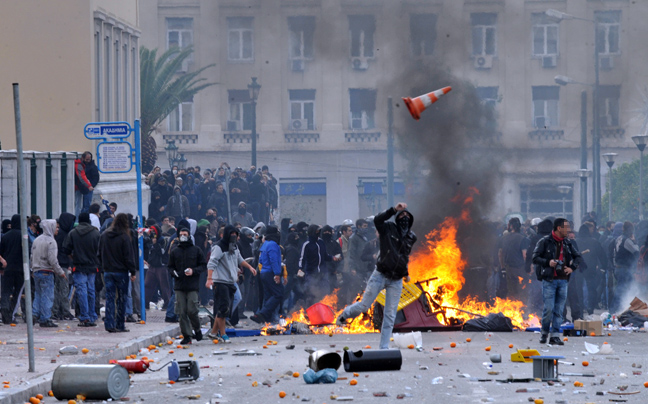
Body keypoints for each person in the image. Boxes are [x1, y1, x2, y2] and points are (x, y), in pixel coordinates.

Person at [336, 203, 417, 350]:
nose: (404, 218)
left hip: (396, 279)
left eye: (407, 216)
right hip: (380, 275)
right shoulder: (388, 228)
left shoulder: (411, 237)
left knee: (390, 315)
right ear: (397, 218)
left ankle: (384, 348)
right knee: (364, 305)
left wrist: (405, 273)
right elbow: (378, 220)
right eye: (402, 215)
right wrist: (393, 210)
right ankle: (345, 314)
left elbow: (403, 255)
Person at [532, 218, 581, 346]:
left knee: (559, 310)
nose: (569, 230)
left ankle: (555, 336)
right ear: (559, 228)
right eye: (566, 227)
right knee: (548, 308)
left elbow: (578, 257)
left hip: (563, 281)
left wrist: (572, 268)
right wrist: (548, 263)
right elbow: (535, 258)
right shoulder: (544, 241)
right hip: (549, 280)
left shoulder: (568, 243)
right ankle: (544, 333)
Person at [206, 225, 256, 343]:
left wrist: (249, 267)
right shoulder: (218, 247)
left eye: (236, 234)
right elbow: (211, 263)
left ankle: (213, 333)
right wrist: (209, 278)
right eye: (232, 234)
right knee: (223, 308)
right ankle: (223, 334)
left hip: (231, 282)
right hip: (220, 282)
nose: (235, 237)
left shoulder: (234, 247)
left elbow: (240, 259)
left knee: (225, 308)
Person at [168, 227, 206, 345]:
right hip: (179, 285)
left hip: (192, 285)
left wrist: (193, 271)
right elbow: (170, 266)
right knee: (181, 311)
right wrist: (173, 273)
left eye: (185, 234)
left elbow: (203, 266)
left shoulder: (196, 250)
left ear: (189, 236)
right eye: (181, 234)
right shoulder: (175, 251)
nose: (183, 236)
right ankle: (187, 336)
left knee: (192, 310)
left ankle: (197, 329)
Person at [99, 213, 137, 333]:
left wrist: (103, 266)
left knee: (110, 298)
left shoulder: (104, 235)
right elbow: (128, 257)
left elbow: (99, 254)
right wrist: (132, 271)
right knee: (122, 298)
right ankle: (120, 324)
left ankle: (109, 323)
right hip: (121, 272)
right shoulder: (125, 237)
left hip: (108, 271)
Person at [63, 212, 101, 327]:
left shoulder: (73, 233)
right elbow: (100, 250)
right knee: (91, 290)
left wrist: (73, 257)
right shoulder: (96, 233)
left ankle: (84, 316)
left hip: (78, 265)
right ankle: (92, 315)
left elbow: (66, 249)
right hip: (93, 266)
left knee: (81, 291)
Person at [31, 219, 67, 327]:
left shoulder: (36, 240)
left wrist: (32, 268)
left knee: (38, 294)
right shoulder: (51, 242)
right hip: (46, 271)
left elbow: (31, 256)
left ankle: (34, 313)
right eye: (56, 227)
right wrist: (60, 272)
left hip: (36, 271)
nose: (57, 229)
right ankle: (45, 318)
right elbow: (53, 260)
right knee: (47, 296)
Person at [298, 224, 340, 306]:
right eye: (317, 231)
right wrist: (300, 268)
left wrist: (333, 258)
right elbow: (301, 258)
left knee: (325, 293)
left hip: (323, 273)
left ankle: (323, 312)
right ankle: (309, 313)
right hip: (311, 273)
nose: (319, 233)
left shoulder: (321, 242)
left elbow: (325, 256)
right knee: (311, 294)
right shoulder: (306, 244)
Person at [251, 226, 284, 324]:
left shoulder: (264, 244)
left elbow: (260, 260)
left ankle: (267, 320)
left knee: (268, 296)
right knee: (279, 293)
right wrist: (277, 274)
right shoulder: (273, 245)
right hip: (271, 273)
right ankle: (262, 313)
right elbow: (274, 261)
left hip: (264, 273)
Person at [611, 221, 640, 313]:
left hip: (618, 267)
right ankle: (615, 311)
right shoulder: (627, 240)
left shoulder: (618, 238)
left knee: (619, 290)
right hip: (624, 268)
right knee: (623, 290)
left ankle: (615, 310)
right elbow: (636, 251)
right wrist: (634, 241)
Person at [0, 215, 24, 324]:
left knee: (6, 291)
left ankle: (4, 309)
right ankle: (11, 314)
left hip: (7, 269)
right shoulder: (23, 236)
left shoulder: (5, 236)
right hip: (20, 269)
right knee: (17, 293)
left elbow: (1, 253)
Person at [497, 217, 528, 301]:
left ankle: (513, 309)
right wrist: (527, 269)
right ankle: (522, 311)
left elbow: (500, 254)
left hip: (508, 269)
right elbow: (525, 255)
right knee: (522, 292)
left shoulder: (503, 238)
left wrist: (503, 268)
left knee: (511, 292)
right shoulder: (522, 238)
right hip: (520, 269)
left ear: (510, 226)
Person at [52, 212, 76, 321]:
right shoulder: (63, 234)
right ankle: (64, 311)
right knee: (64, 289)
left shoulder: (60, 233)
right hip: (62, 265)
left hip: (59, 265)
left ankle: (57, 311)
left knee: (58, 289)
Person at [144, 225, 171, 311]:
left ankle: (167, 304)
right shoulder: (150, 240)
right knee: (147, 285)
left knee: (164, 286)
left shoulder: (163, 240)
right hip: (152, 266)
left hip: (161, 266)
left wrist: (156, 244)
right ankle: (145, 303)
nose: (152, 233)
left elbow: (162, 252)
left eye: (153, 231)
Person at [74, 151, 94, 217]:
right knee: (78, 205)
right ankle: (77, 220)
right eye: (87, 159)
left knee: (79, 205)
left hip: (79, 186)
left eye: (89, 159)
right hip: (78, 187)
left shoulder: (80, 164)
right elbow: (82, 177)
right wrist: (89, 186)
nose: (88, 161)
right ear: (82, 158)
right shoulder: (79, 165)